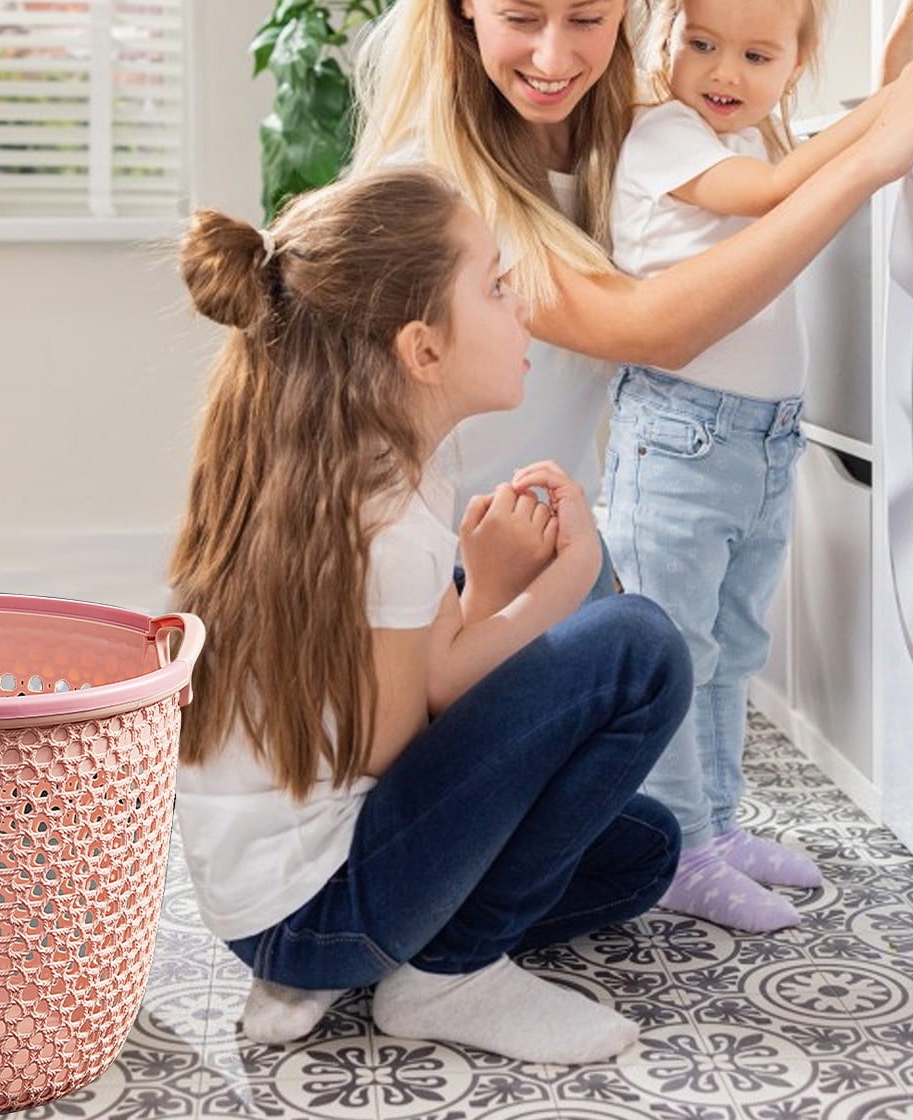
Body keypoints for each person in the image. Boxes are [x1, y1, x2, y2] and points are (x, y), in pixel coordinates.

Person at [354, 0, 913, 588]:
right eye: (520, 18)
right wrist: (869, 154)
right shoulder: (435, 185)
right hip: (429, 575)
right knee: (657, 659)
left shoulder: (629, 131)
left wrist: (888, 92)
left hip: (544, 547)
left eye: (587, 18)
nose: (554, 57)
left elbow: (754, 134)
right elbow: (646, 326)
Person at [171, 166, 693, 1064]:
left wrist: (486, 593)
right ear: (423, 351)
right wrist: (552, 589)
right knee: (637, 647)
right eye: (494, 284)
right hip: (314, 905)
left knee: (643, 850)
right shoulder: (380, 519)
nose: (520, 299)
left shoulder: (375, 472)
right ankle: (449, 973)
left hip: (302, 894)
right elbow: (398, 743)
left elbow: (403, 706)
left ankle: (336, 974)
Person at [600, 0, 913, 930]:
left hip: (754, 445)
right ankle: (670, 845)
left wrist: (893, 73)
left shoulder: (755, 134)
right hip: (678, 436)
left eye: (758, 57)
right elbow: (778, 197)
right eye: (702, 41)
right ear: (666, 26)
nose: (724, 74)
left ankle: (712, 825)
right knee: (678, 653)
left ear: (794, 63)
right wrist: (887, 123)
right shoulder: (663, 133)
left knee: (730, 645)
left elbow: (802, 150)